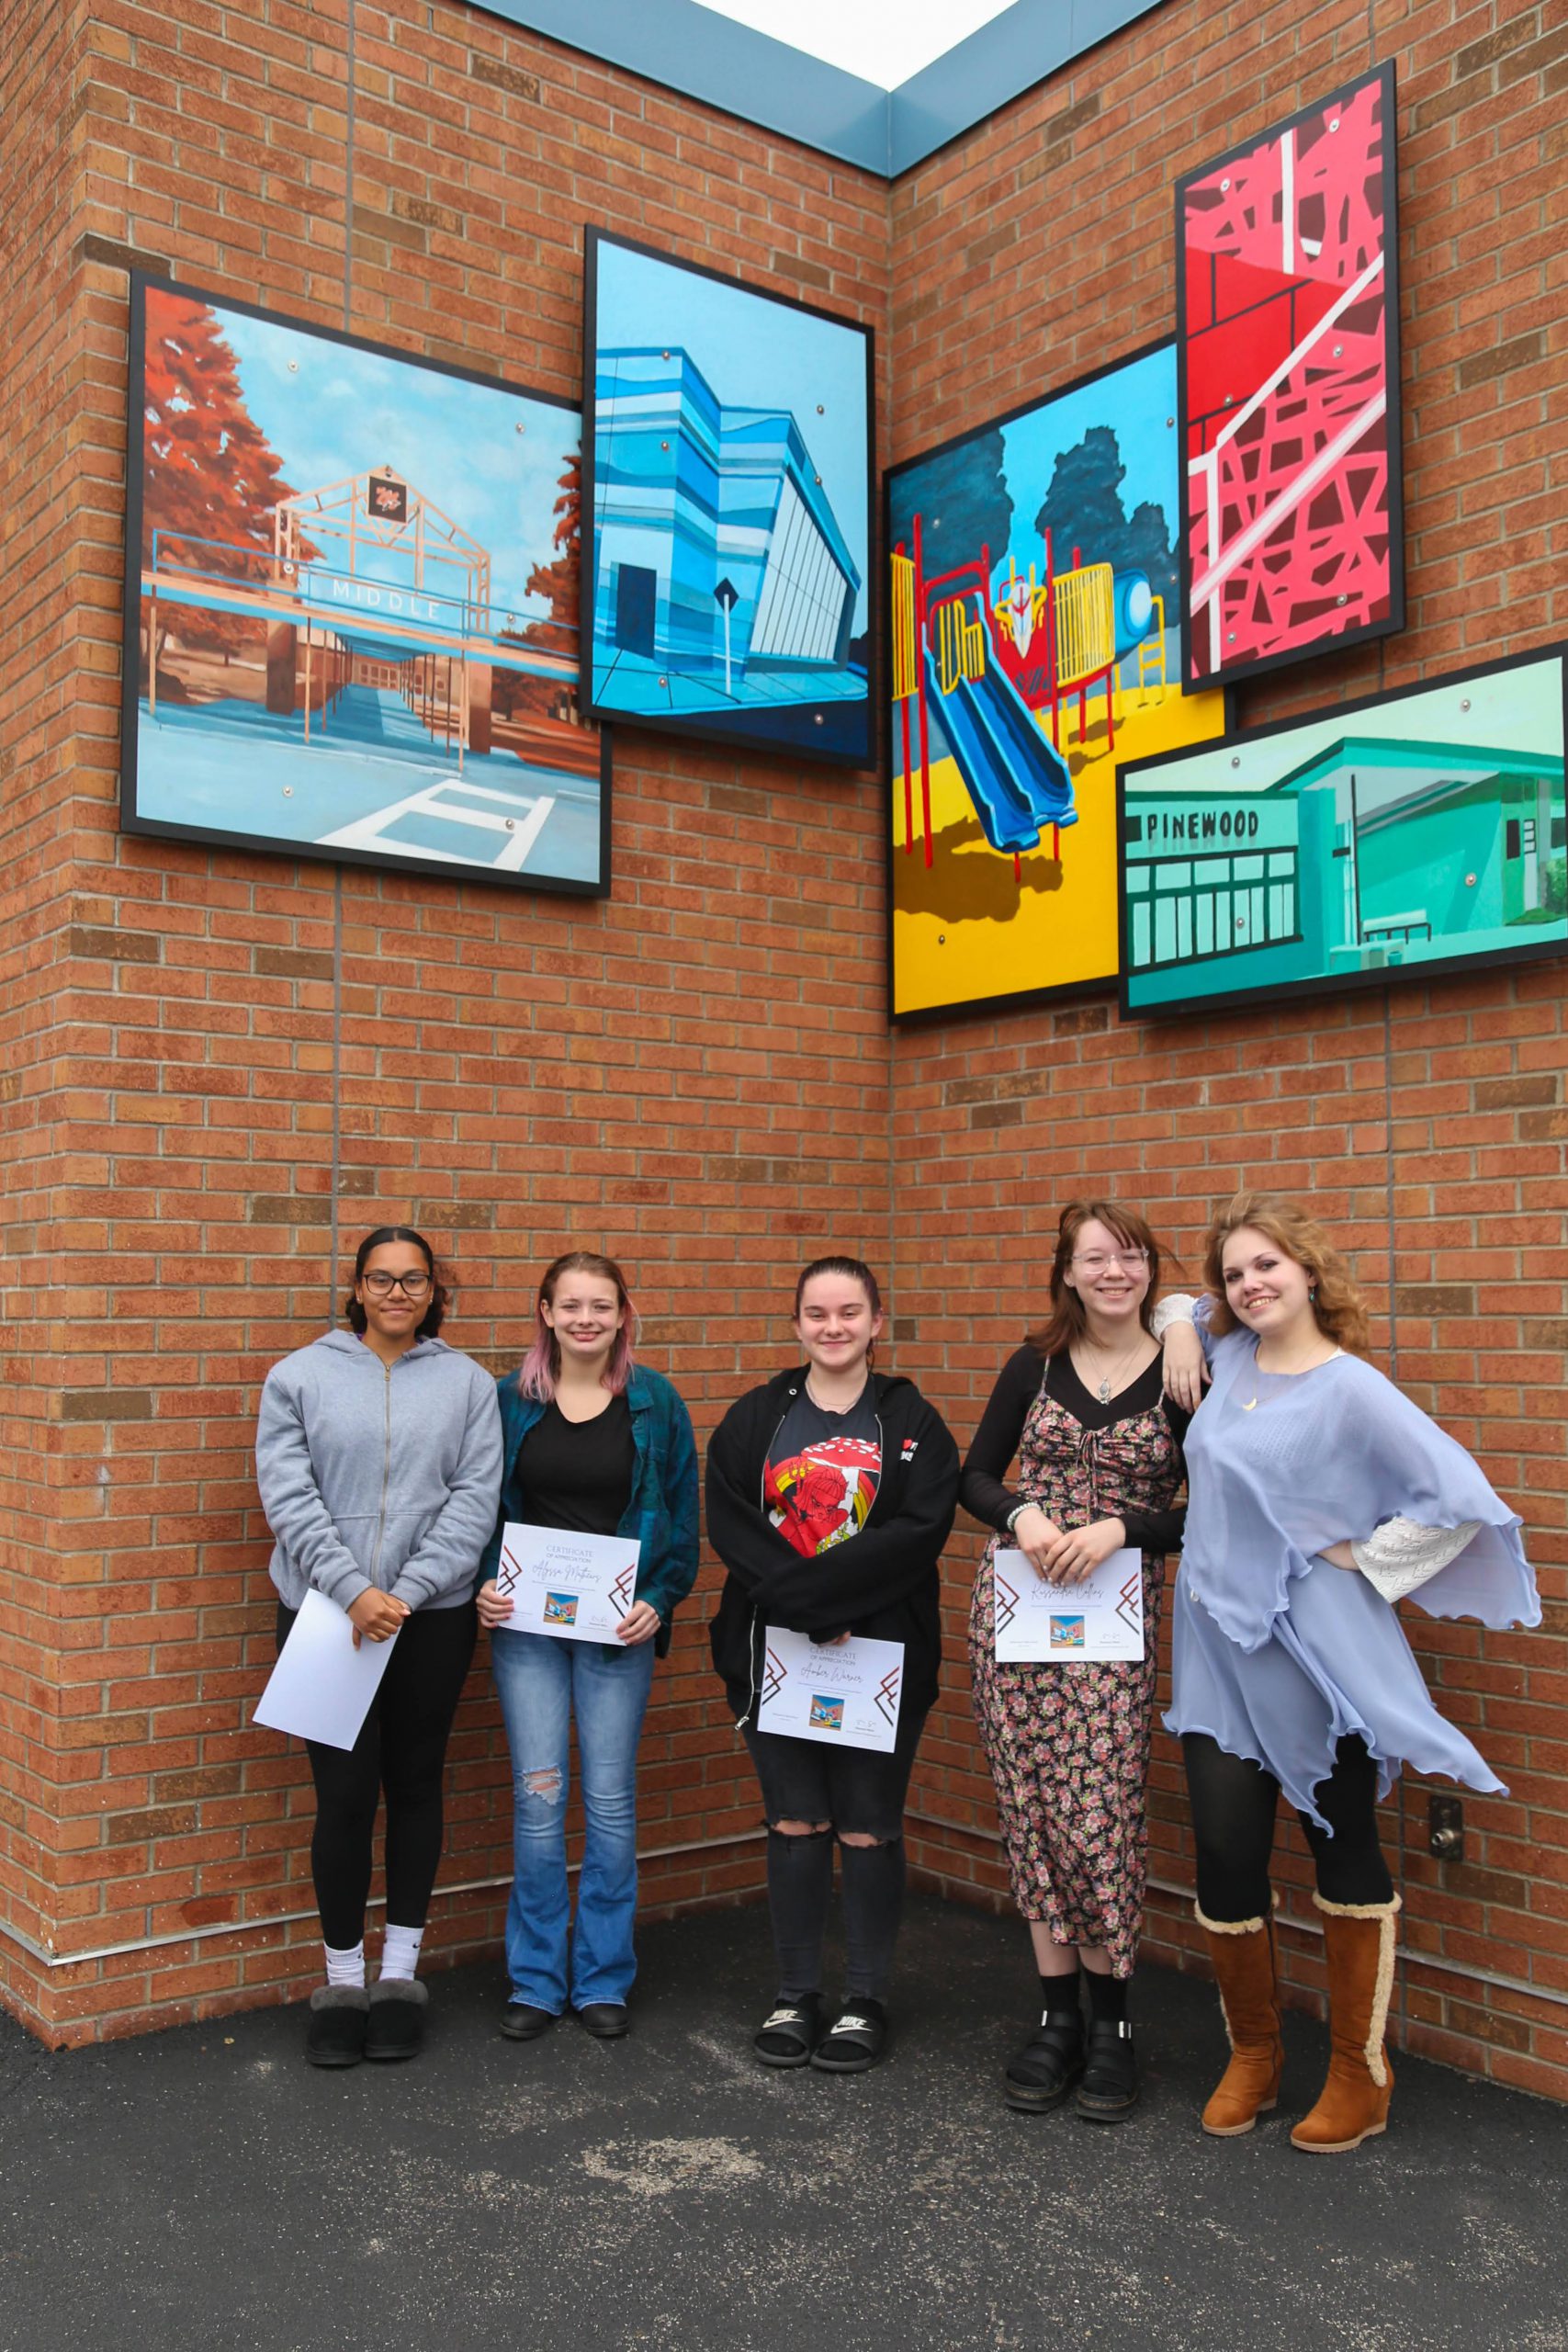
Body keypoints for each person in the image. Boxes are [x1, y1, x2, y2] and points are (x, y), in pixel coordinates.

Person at [1162, 1193, 1539, 2153]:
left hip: (1314, 1654)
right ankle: (1255, 2053)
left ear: (1310, 1272)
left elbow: (1460, 1501)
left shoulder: (1352, 1387)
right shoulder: (1227, 1353)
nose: (1250, 1284)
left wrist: (1367, 1558)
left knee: (1343, 1848)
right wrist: (1177, 1322)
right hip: (1213, 1649)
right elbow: (1174, 1305)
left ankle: (1357, 2075)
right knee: (1225, 1855)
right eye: (1235, 1272)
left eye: (1267, 1266)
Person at [961, 1202, 1198, 2122]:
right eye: (1095, 1257)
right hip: (1017, 1613)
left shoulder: (1184, 1370)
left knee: (1099, 1806)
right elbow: (974, 1474)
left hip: (1114, 1623)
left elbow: (1204, 1506)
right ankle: (1056, 2013)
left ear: (1150, 1271)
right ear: (1066, 1270)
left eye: (1131, 1256)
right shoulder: (1037, 1361)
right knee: (1029, 1801)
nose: (1113, 1271)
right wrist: (1021, 1513)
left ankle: (1114, 2026)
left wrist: (1120, 1528)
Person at [256, 1226, 503, 2068]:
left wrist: (408, 1591)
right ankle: (341, 1979)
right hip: (326, 1615)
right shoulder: (297, 1377)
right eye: (381, 1279)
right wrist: (353, 1591)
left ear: (435, 1292)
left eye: (414, 1281)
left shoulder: (469, 1385)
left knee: (416, 1783)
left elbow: (475, 1499)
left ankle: (399, 1975)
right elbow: (288, 1496)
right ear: (356, 1289)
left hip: (430, 1617)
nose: (398, 1293)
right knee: (345, 1798)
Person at [706, 1256, 960, 2074]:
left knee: (866, 1823)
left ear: (876, 1321)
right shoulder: (755, 1419)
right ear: (796, 1325)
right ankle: (794, 1993)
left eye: (850, 1312)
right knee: (795, 1820)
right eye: (817, 1314)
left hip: (878, 1655)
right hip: (775, 1649)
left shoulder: (911, 1419)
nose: (833, 1327)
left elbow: (919, 1532)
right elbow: (732, 1525)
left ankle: (863, 1999)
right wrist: (809, 1606)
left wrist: (837, 1605)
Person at [475, 1252, 698, 2043]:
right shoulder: (507, 1401)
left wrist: (658, 1600)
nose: (584, 1320)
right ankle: (536, 1979)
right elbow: (475, 1505)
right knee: (539, 1805)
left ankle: (602, 1976)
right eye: (569, 1305)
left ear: (622, 1313)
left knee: (608, 1807)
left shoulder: (653, 1401)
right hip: (526, 1631)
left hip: (614, 1634)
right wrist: (481, 1584)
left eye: (600, 1306)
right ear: (544, 1311)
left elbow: (678, 1510)